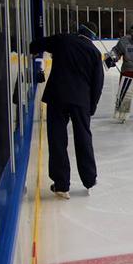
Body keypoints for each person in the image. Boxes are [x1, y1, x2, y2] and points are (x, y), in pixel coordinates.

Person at [29, 22, 104, 199]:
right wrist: (90, 108)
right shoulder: (94, 53)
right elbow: (97, 84)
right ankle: (89, 179)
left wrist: (33, 51)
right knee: (83, 137)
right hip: (81, 101)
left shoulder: (64, 39)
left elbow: (36, 44)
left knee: (57, 138)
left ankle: (61, 184)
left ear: (78, 31)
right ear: (92, 37)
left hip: (57, 96)